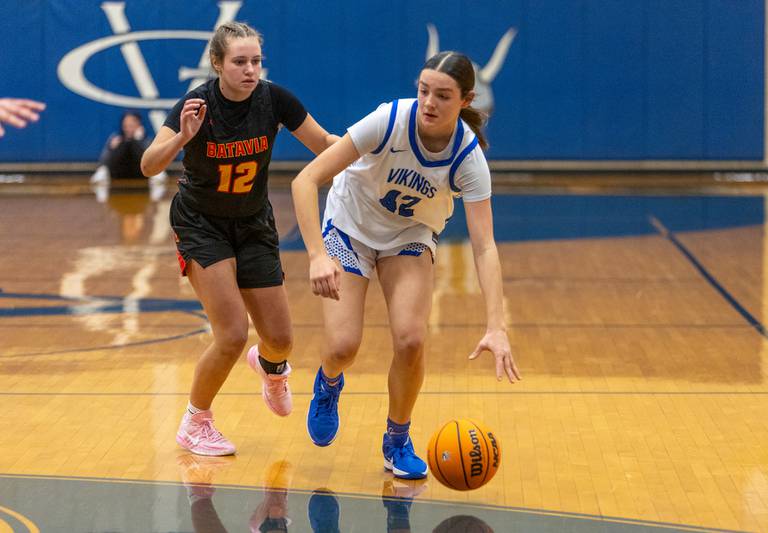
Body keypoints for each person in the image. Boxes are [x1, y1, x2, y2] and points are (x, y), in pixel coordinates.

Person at [292, 51, 521, 480]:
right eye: (423, 90)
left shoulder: (469, 159)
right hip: (350, 226)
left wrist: (497, 325)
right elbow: (304, 180)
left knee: (411, 339)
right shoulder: (388, 120)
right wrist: (316, 255)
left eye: (443, 95)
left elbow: (485, 247)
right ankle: (328, 382)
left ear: (466, 100)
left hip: (409, 236)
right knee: (343, 346)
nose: (429, 102)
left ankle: (396, 440)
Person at [141, 21, 338, 456]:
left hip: (252, 224)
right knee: (231, 333)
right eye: (240, 62)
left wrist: (366, 153)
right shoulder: (195, 105)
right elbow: (148, 166)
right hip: (201, 224)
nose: (250, 70)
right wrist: (181, 139)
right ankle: (196, 421)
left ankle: (270, 367)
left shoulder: (275, 99)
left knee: (282, 339)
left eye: (256, 61)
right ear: (217, 64)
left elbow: (324, 142)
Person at [91, 111, 168, 202]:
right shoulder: (116, 139)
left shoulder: (146, 140)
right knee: (120, 147)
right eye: (126, 125)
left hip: (141, 172)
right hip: (119, 173)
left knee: (140, 149)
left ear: (138, 125)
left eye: (131, 125)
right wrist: (113, 148)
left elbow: (152, 159)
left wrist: (138, 141)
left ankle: (157, 176)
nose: (128, 128)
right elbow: (103, 160)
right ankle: (103, 175)